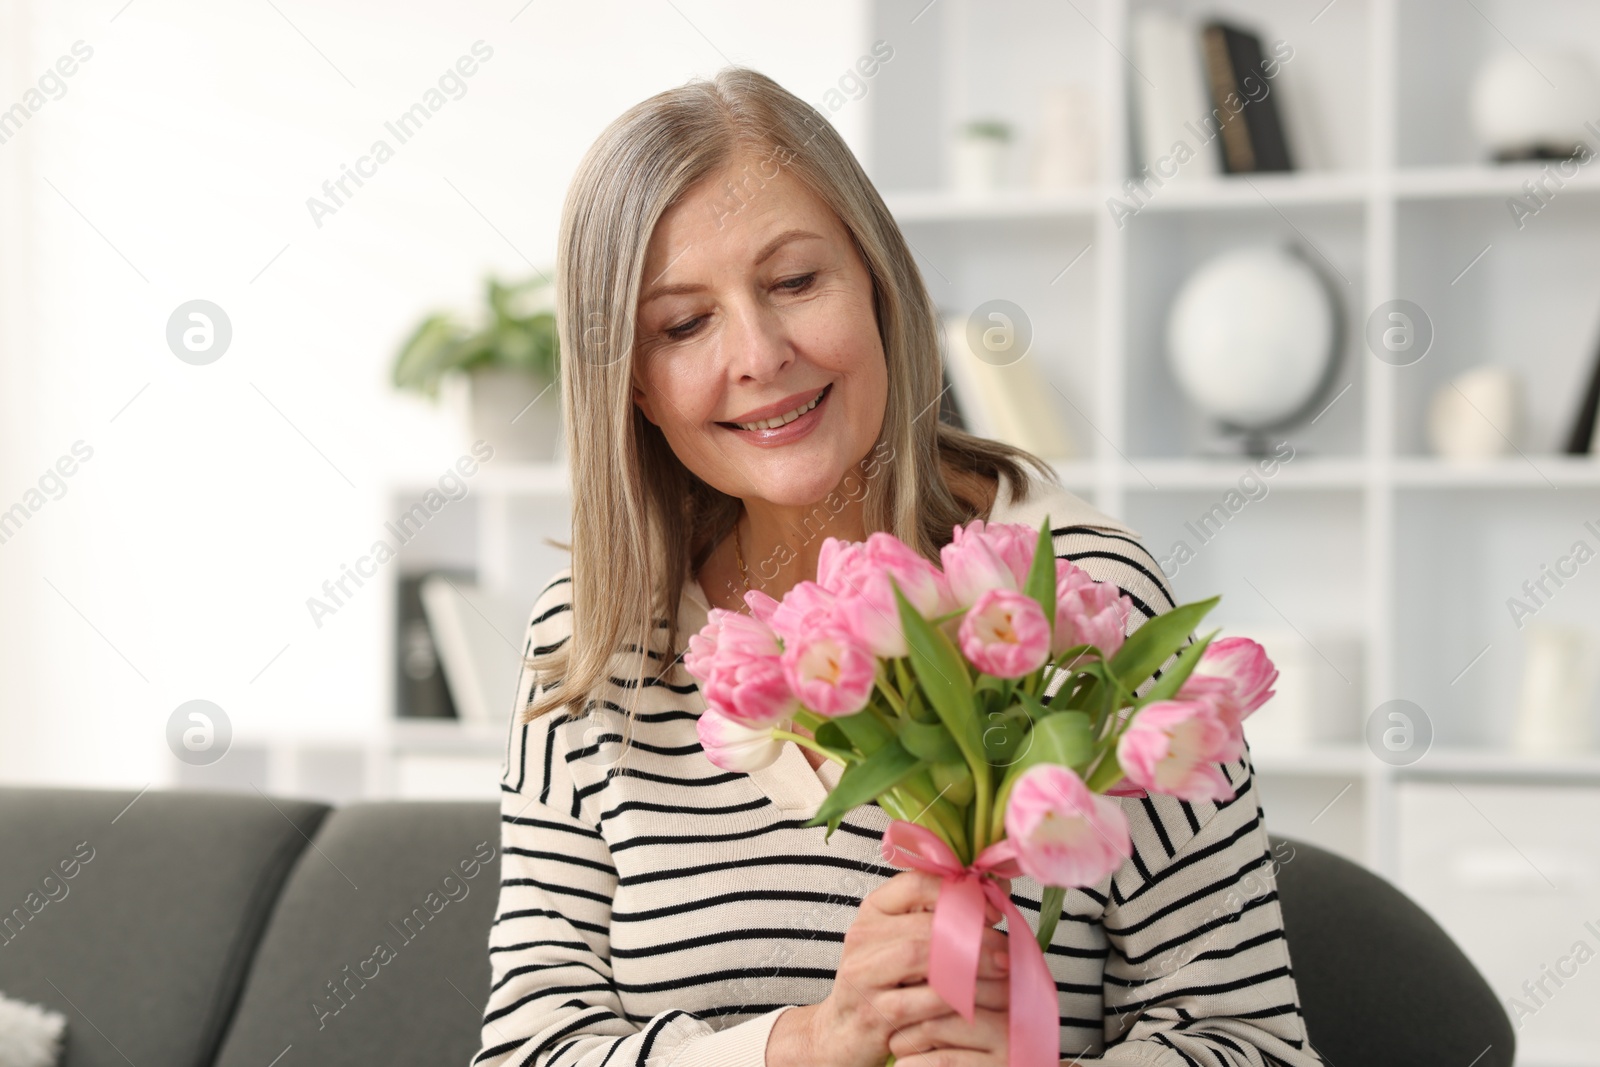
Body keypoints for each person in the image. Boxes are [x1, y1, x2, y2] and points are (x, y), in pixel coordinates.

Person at [472, 67, 1323, 1067]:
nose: (758, 353)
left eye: (794, 281)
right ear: (635, 387)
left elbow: (1259, 1043)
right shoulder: (591, 637)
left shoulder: (1081, 598)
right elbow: (527, 1049)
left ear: (878, 283)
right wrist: (806, 1045)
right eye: (683, 323)